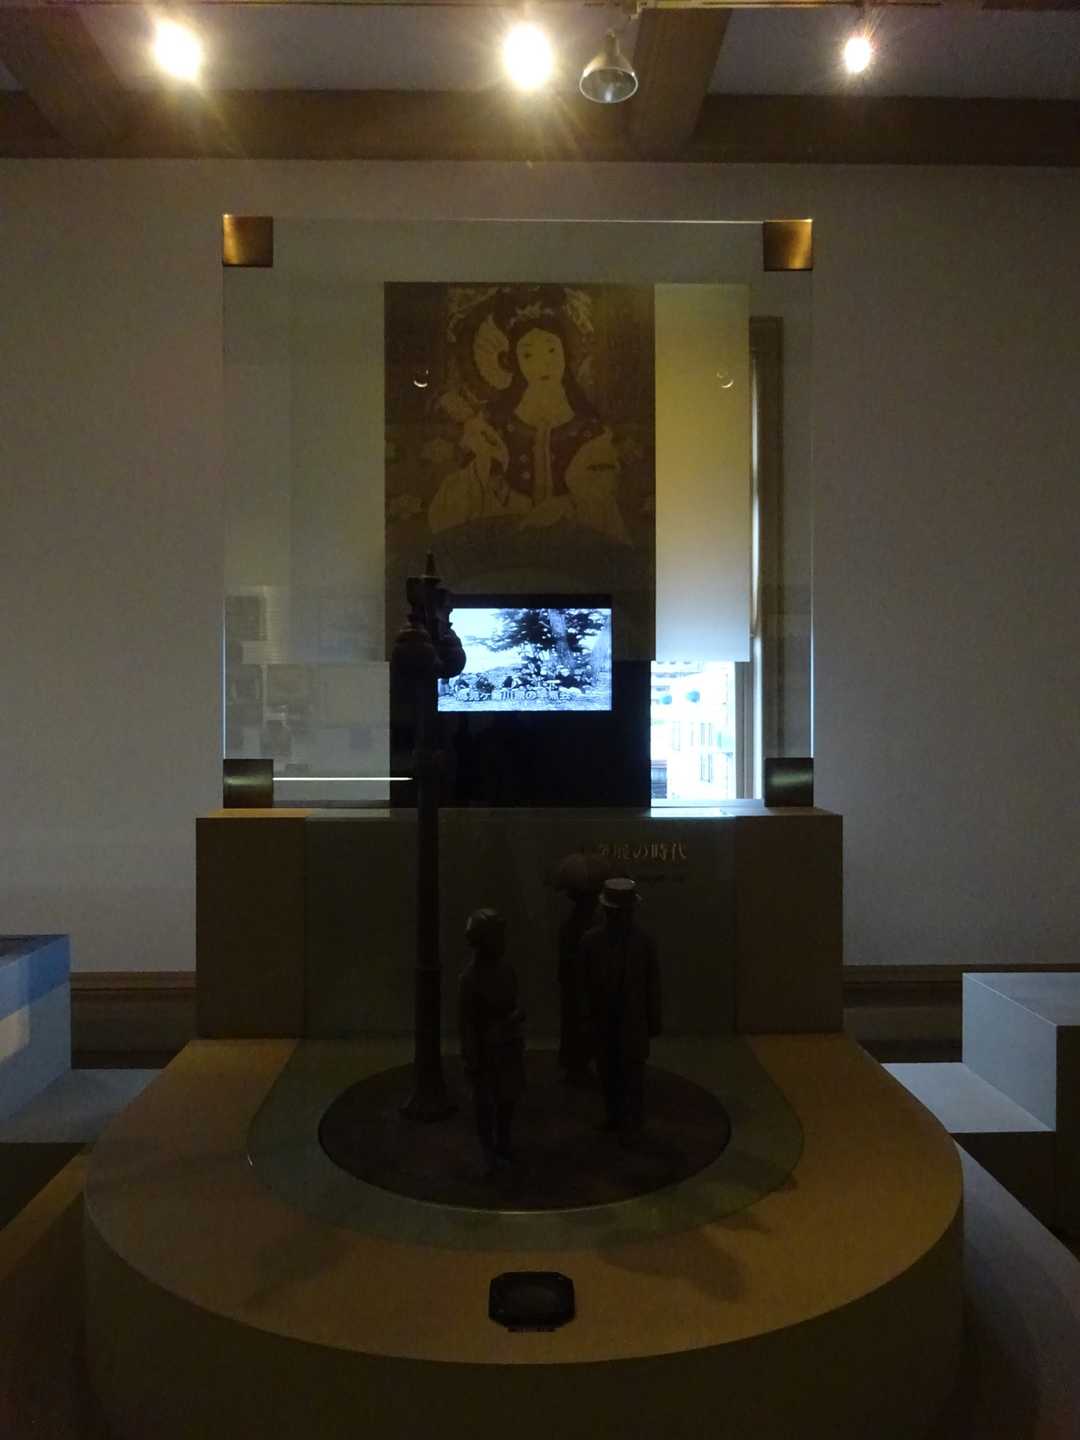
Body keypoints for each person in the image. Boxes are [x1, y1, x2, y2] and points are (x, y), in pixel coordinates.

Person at [489, 307, 629, 545]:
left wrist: (564, 507)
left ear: (565, 354)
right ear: (516, 362)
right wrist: (512, 503)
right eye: (528, 355)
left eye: (552, 350)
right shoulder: (501, 422)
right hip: (511, 530)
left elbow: (600, 489)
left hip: (574, 532)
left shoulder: (587, 426)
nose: (543, 364)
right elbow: (486, 478)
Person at [579, 877, 661, 1143]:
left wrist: (653, 1017)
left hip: (628, 1019)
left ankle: (631, 1121)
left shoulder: (641, 942)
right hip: (608, 1018)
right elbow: (583, 984)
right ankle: (616, 1117)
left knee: (631, 1073)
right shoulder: (594, 942)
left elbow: (652, 983)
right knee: (609, 1072)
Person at [458, 908, 526, 1173]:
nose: (503, 942)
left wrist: (515, 1018)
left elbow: (515, 1002)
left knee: (507, 1100)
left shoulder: (506, 970)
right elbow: (467, 1022)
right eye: (497, 936)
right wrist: (471, 1057)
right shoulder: (470, 979)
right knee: (486, 1104)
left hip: (507, 1046)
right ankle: (489, 1151)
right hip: (486, 1051)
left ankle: (503, 1144)